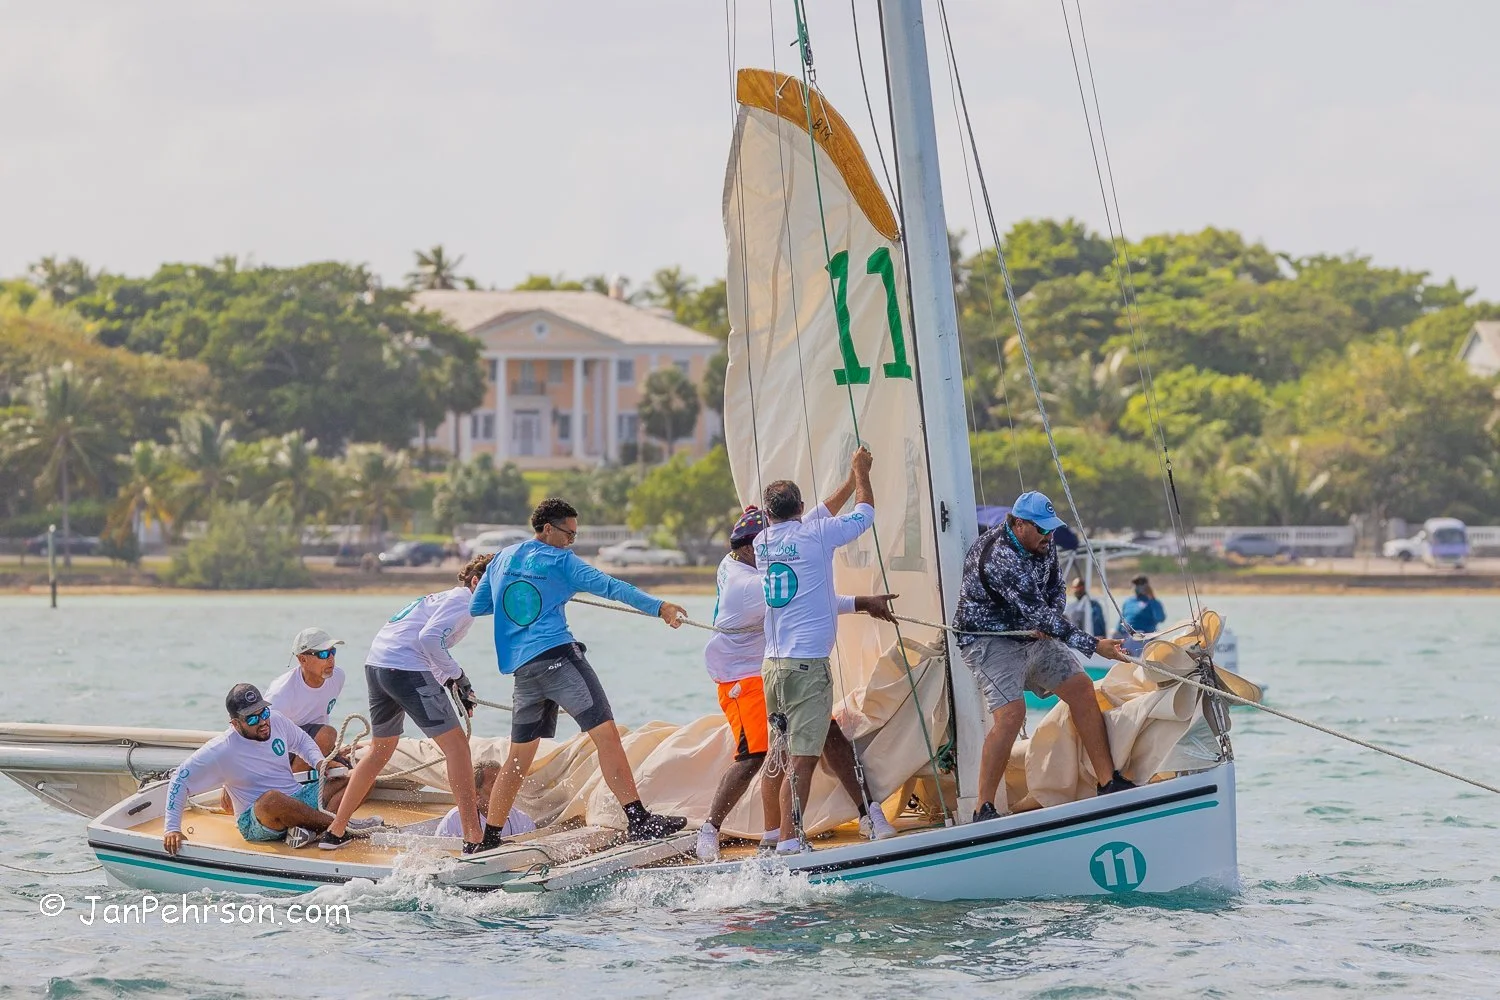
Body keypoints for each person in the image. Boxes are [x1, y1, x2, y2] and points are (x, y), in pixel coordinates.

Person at [468, 497, 690, 853]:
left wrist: (521, 593)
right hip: (559, 660)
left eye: (575, 535)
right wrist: (660, 607)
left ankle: (487, 838)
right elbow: (613, 587)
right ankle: (639, 820)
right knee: (607, 736)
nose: (571, 541)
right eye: (568, 534)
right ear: (546, 529)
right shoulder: (562, 563)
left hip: (524, 672)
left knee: (518, 758)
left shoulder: (502, 558)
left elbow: (478, 606)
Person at [696, 505, 900, 862]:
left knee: (830, 735)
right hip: (741, 676)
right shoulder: (747, 585)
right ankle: (714, 829)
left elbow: (804, 553)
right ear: (748, 548)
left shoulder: (748, 559)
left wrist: (846, 486)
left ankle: (867, 812)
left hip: (775, 666)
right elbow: (809, 597)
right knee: (756, 756)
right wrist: (862, 602)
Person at [952, 490, 1135, 823]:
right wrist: (1095, 645)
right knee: (1011, 714)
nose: (1048, 537)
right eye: (1041, 529)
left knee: (1082, 688)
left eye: (1051, 529)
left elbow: (1056, 589)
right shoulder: (1000, 555)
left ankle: (1109, 782)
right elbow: (1037, 611)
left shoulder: (1043, 543)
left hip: (1033, 634)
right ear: (1019, 524)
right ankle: (983, 807)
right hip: (989, 640)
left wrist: (1047, 623)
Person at [318, 554, 493, 851]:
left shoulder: (444, 599)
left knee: (380, 750)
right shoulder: (463, 603)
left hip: (378, 666)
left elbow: (426, 645)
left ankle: (335, 832)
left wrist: (452, 683)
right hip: (404, 669)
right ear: (476, 582)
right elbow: (428, 640)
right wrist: (459, 676)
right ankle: (474, 838)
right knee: (457, 748)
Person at [758, 446, 879, 856]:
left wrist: (846, 477)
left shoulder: (763, 542)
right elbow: (866, 514)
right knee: (803, 760)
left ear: (768, 515)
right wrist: (861, 475)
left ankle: (772, 835)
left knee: (777, 754)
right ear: (801, 508)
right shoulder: (814, 534)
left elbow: (814, 518)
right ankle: (791, 843)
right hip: (807, 667)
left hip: (772, 667)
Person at [163, 683, 365, 854]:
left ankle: (314, 829)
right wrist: (171, 828)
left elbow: (302, 741)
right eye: (252, 718)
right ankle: (338, 826)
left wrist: (320, 763)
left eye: (263, 712)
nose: (262, 722)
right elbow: (180, 779)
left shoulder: (276, 720)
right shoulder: (220, 749)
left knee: (361, 776)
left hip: (297, 797)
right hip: (257, 819)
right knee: (271, 799)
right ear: (235, 723)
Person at [264, 627, 347, 768]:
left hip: (315, 744)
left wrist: (329, 751)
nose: (331, 658)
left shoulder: (338, 677)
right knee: (327, 734)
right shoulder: (280, 694)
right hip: (280, 750)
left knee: (355, 776)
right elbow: (265, 739)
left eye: (332, 651)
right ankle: (294, 785)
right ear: (303, 659)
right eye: (323, 654)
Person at [434, 762, 537, 840]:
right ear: (476, 793)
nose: (504, 788)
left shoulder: (523, 821)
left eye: (504, 782)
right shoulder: (454, 818)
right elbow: (437, 854)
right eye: (495, 784)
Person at [1116, 575, 1167, 654]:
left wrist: (1151, 598)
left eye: (1141, 584)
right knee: (1112, 635)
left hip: (1142, 636)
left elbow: (1161, 618)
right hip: (1125, 635)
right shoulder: (1128, 601)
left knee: (1135, 638)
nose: (1138, 587)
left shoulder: (1153, 602)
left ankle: (1129, 659)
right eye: (1136, 584)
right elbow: (1121, 620)